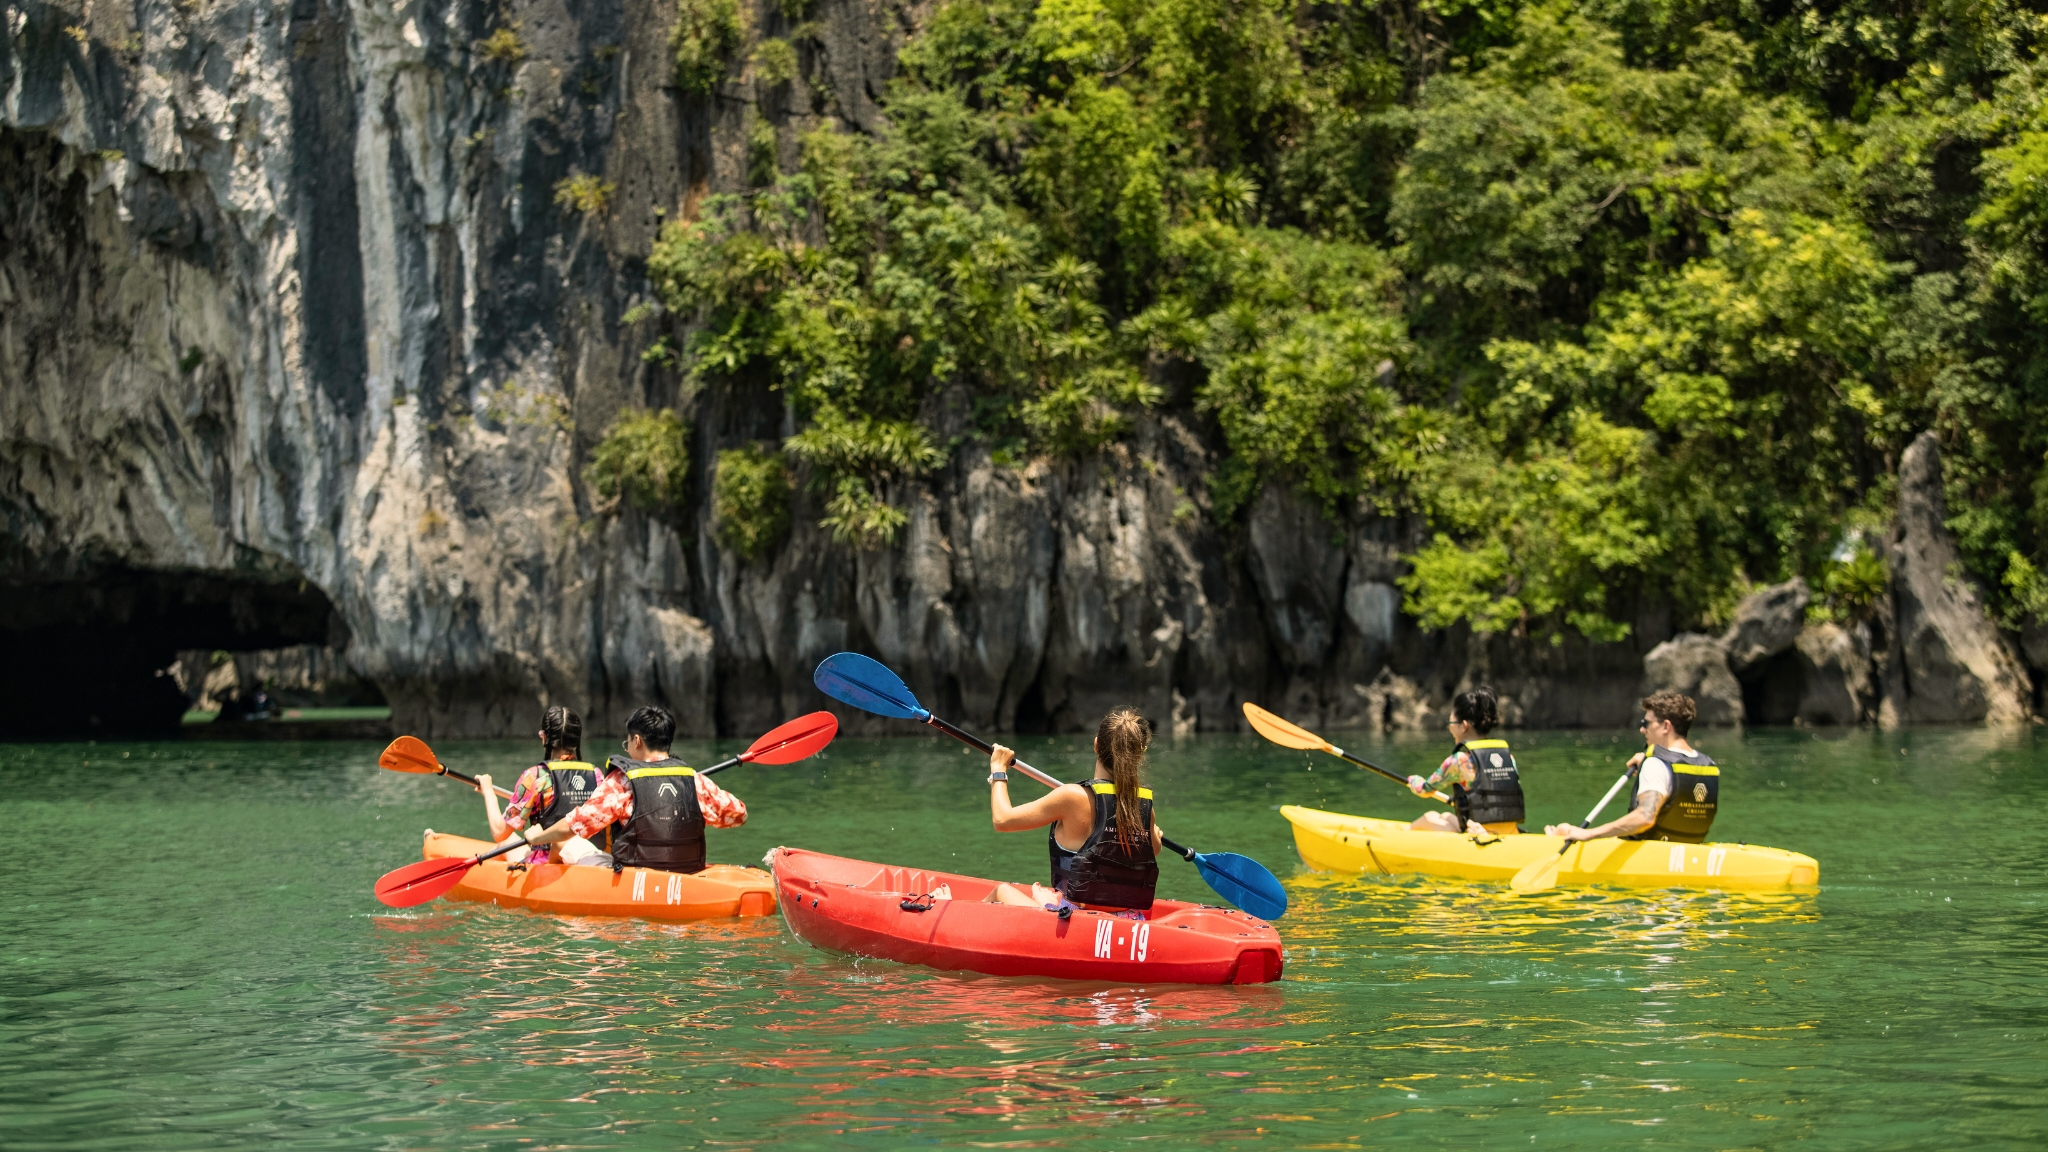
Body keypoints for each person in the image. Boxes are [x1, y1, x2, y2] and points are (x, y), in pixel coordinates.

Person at [515, 705, 747, 872]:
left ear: (637, 741)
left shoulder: (622, 782)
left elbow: (575, 825)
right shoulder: (695, 780)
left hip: (635, 876)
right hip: (687, 871)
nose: (627, 750)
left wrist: (537, 837)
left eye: (628, 743)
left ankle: (548, 881)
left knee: (563, 841)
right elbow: (739, 815)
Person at [982, 707, 1165, 913]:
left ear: (1096, 744)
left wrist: (998, 770)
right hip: (1128, 922)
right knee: (1047, 898)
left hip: (1077, 921)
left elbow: (1002, 820)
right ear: (1139, 755)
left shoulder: (1072, 796)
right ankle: (1051, 903)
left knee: (1001, 891)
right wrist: (1155, 835)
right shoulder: (1143, 806)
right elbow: (1153, 850)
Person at [1547, 691, 1718, 844]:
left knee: (1562, 830)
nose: (1642, 730)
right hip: (1691, 850)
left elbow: (1645, 818)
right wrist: (1647, 760)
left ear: (1666, 726)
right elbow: (1677, 771)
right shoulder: (1708, 765)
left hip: (1651, 852)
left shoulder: (1656, 764)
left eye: (1646, 723)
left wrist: (1589, 834)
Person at [474, 705, 607, 868]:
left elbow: (499, 832)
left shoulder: (536, 777)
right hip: (586, 858)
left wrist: (488, 792)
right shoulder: (597, 775)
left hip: (546, 863)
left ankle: (480, 871)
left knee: (505, 842)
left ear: (544, 737)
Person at [1404, 686, 1523, 837]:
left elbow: (1425, 790)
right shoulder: (1508, 758)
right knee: (1446, 816)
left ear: (1463, 726)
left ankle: (1395, 840)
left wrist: (1413, 781)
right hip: (1511, 831)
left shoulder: (1459, 761)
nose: (1449, 728)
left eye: (1451, 722)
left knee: (1429, 816)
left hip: (1478, 835)